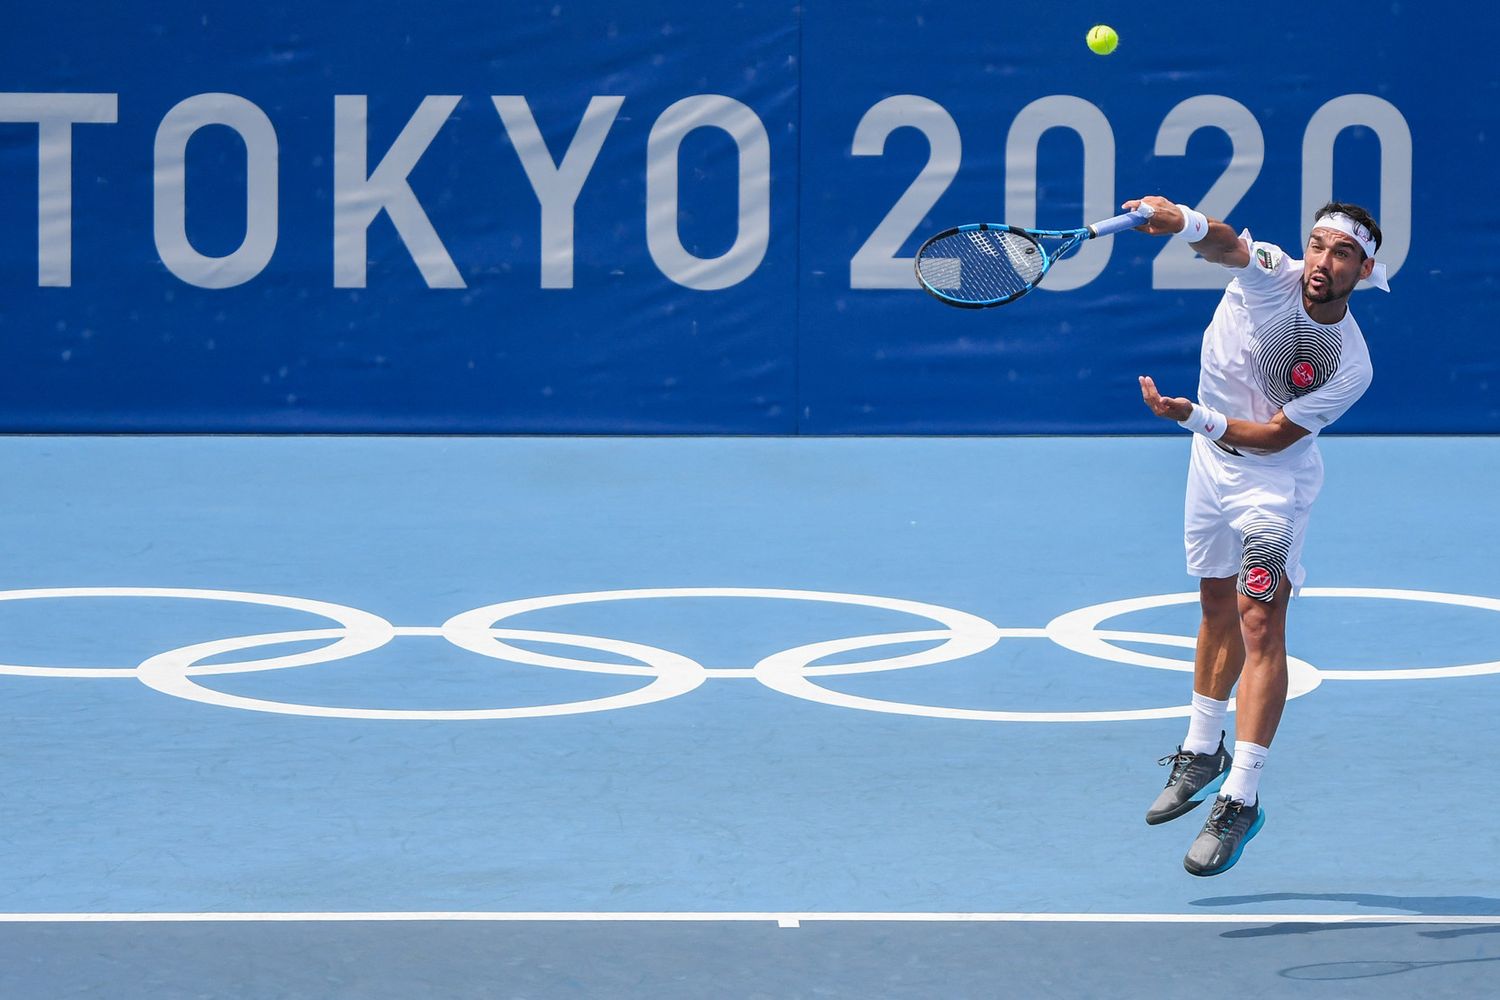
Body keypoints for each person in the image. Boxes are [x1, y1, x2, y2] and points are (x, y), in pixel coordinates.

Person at [1122, 195, 1386, 876]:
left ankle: (1241, 796)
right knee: (1215, 606)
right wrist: (1180, 219)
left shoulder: (1350, 365)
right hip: (1207, 468)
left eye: (1341, 252)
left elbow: (1274, 438)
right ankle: (1201, 749)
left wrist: (1193, 417)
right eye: (1319, 245)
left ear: (1364, 267)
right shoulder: (1273, 272)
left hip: (1272, 485)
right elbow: (1225, 246)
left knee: (1260, 622)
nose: (1323, 261)